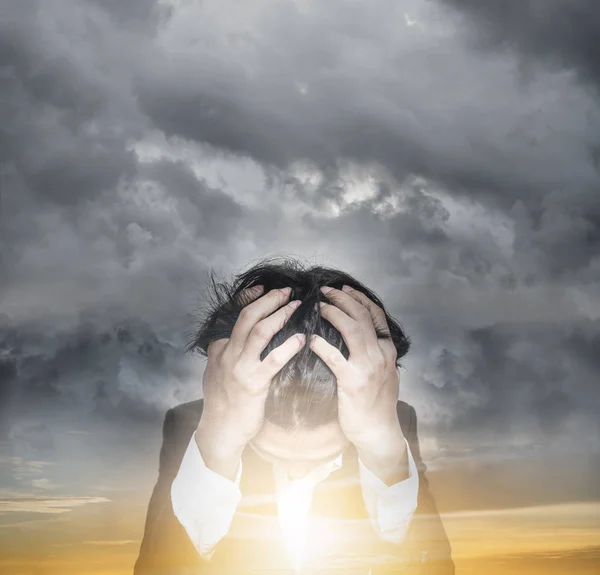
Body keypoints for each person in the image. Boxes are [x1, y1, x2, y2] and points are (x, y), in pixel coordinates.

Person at [134, 257, 454, 574]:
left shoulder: (392, 424)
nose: (299, 472)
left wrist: (387, 459)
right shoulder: (192, 428)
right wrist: (216, 450)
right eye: (275, 454)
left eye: (323, 457)